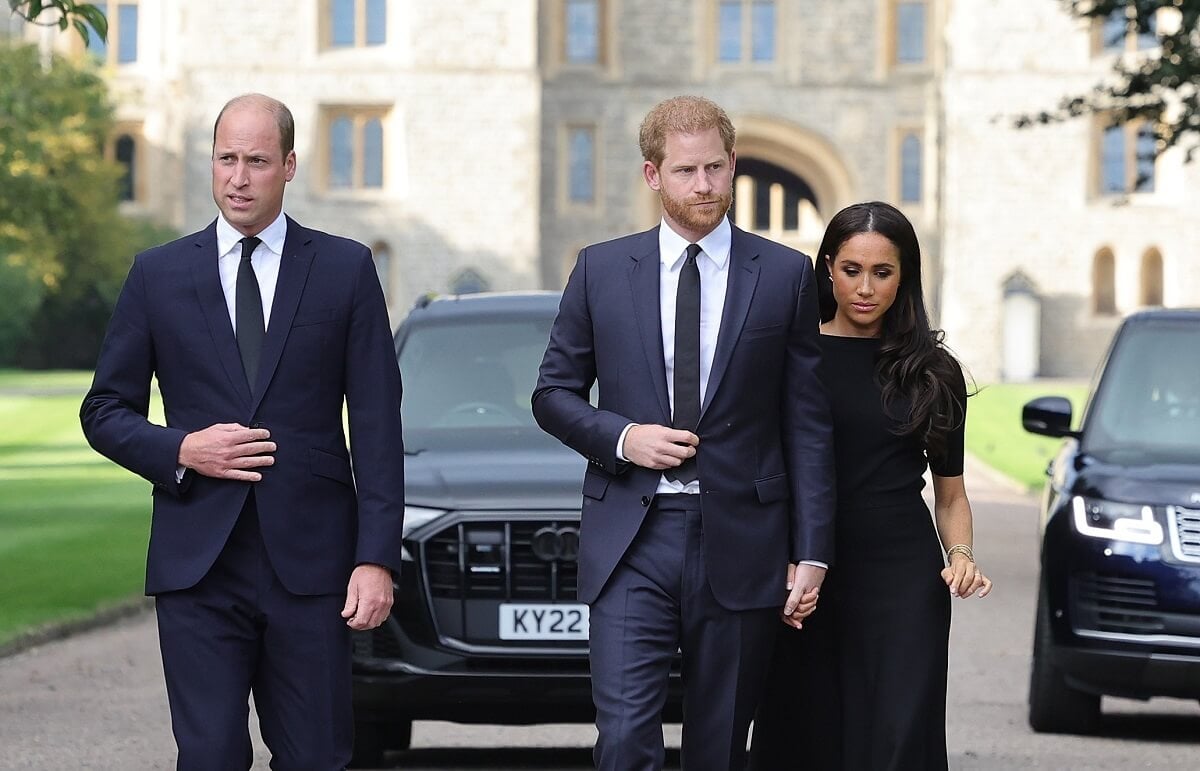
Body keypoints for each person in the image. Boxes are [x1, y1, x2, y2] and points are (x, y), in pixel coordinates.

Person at [80, 93, 405, 770]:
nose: (238, 176)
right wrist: (181, 448)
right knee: (209, 754)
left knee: (317, 755)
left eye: (256, 161)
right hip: (198, 564)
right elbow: (104, 409)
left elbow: (376, 424)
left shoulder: (345, 270)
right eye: (226, 158)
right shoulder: (157, 275)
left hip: (313, 567)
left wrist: (375, 558)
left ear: (288, 165)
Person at [532, 95, 835, 771]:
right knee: (623, 740)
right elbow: (551, 395)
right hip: (632, 539)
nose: (704, 186)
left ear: (733, 165)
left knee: (720, 745)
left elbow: (806, 424)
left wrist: (811, 551)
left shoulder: (785, 275)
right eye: (686, 171)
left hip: (743, 540)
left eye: (716, 169)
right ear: (652, 176)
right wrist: (623, 436)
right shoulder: (601, 269)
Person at [749, 201, 993, 771]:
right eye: (851, 270)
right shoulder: (789, 355)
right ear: (828, 267)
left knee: (897, 742)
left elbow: (951, 493)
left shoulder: (934, 370)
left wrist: (960, 555)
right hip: (805, 575)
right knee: (803, 736)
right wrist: (781, 562)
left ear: (904, 275)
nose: (864, 288)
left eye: (882, 272)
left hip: (901, 583)